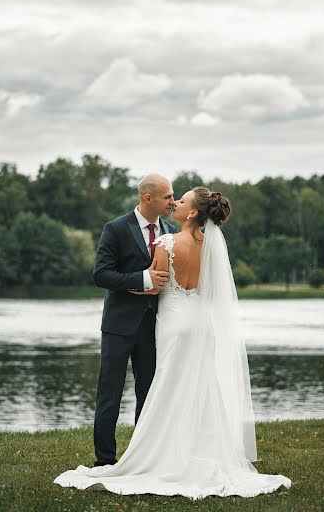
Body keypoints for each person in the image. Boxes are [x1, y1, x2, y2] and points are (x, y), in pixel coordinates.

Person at [54, 186, 292, 498]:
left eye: (180, 200)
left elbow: (155, 286)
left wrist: (139, 288)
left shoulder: (167, 240)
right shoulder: (211, 246)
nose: (175, 203)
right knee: (201, 386)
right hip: (201, 323)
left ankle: (162, 455)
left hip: (174, 323)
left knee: (167, 385)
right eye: (172, 197)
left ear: (193, 212)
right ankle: (202, 453)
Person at [91, 173, 177, 467]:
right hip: (118, 326)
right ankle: (104, 461)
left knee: (149, 396)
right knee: (109, 395)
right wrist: (142, 279)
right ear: (147, 197)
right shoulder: (115, 228)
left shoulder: (171, 230)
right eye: (167, 196)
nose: (172, 201)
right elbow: (101, 274)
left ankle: (141, 460)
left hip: (154, 327)